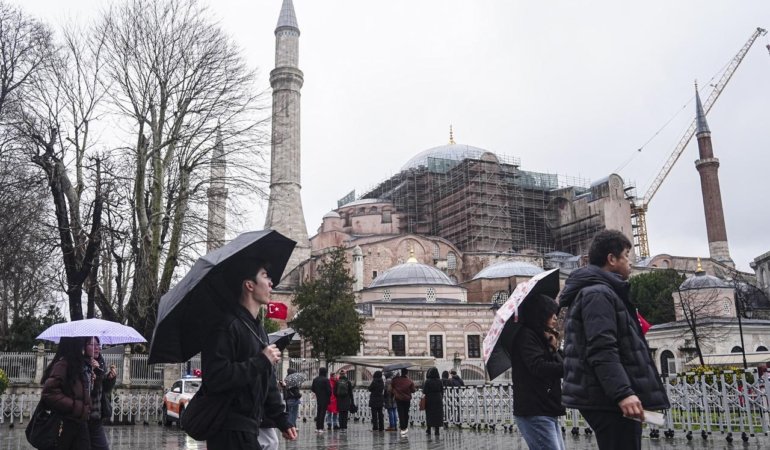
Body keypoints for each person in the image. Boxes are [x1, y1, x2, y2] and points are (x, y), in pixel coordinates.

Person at [560, 230, 670, 450]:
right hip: (608, 400)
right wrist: (623, 393)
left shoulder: (601, 291)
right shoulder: (598, 294)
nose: (630, 262)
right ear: (611, 259)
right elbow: (602, 349)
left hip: (606, 395)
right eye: (626, 255)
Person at [201, 259, 297, 449]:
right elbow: (215, 377)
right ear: (249, 285)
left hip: (251, 428)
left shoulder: (257, 330)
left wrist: (281, 419)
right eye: (264, 276)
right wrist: (261, 360)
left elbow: (267, 381)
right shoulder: (226, 326)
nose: (271, 283)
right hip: (229, 431)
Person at [509, 294, 565, 450]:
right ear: (540, 315)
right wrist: (569, 368)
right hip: (535, 411)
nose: (555, 318)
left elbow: (560, 363)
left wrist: (554, 349)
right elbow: (538, 367)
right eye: (550, 313)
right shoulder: (527, 336)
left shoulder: (543, 338)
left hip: (546, 409)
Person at [40, 336, 92, 450]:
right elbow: (49, 393)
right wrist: (75, 406)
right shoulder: (63, 364)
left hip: (79, 423)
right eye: (82, 343)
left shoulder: (80, 364)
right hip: (65, 424)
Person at [87, 337, 117, 450]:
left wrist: (110, 378)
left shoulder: (100, 363)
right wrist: (89, 372)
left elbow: (104, 390)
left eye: (98, 345)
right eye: (92, 345)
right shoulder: (79, 364)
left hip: (96, 418)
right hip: (82, 418)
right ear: (84, 346)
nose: (97, 348)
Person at [390, 368, 416, 437]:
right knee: (406, 412)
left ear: (401, 372)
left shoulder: (395, 380)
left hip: (399, 399)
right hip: (407, 399)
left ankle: (402, 427)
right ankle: (405, 426)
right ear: (406, 373)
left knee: (401, 413)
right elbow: (413, 390)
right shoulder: (410, 381)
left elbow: (391, 388)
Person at [422, 367, 444, 437]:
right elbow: (442, 391)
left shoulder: (428, 381)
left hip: (430, 399)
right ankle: (437, 431)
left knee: (429, 414)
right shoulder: (439, 381)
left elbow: (424, 391)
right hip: (438, 399)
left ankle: (429, 429)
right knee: (437, 415)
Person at [310, 367, 331, 433]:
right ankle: (321, 428)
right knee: (322, 413)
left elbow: (312, 388)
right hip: (325, 398)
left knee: (319, 412)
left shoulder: (315, 379)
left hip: (318, 397)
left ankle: (317, 427)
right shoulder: (326, 380)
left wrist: (318, 392)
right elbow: (329, 390)